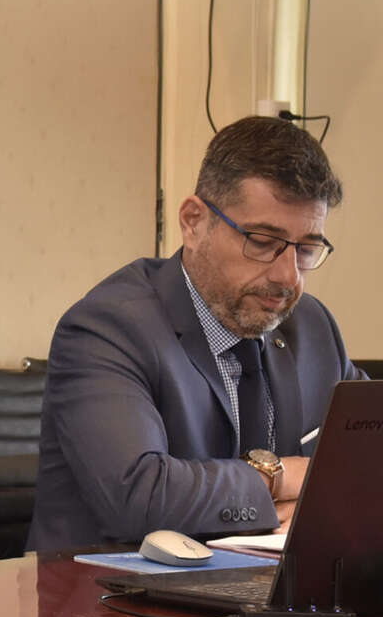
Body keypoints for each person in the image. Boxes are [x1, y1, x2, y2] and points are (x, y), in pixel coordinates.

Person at [27, 116, 362, 553]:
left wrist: (313, 502)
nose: (288, 276)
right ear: (193, 221)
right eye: (263, 241)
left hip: (272, 590)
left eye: (307, 249)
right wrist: (280, 478)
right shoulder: (107, 328)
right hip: (117, 592)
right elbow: (139, 496)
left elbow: (379, 461)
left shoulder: (312, 327)